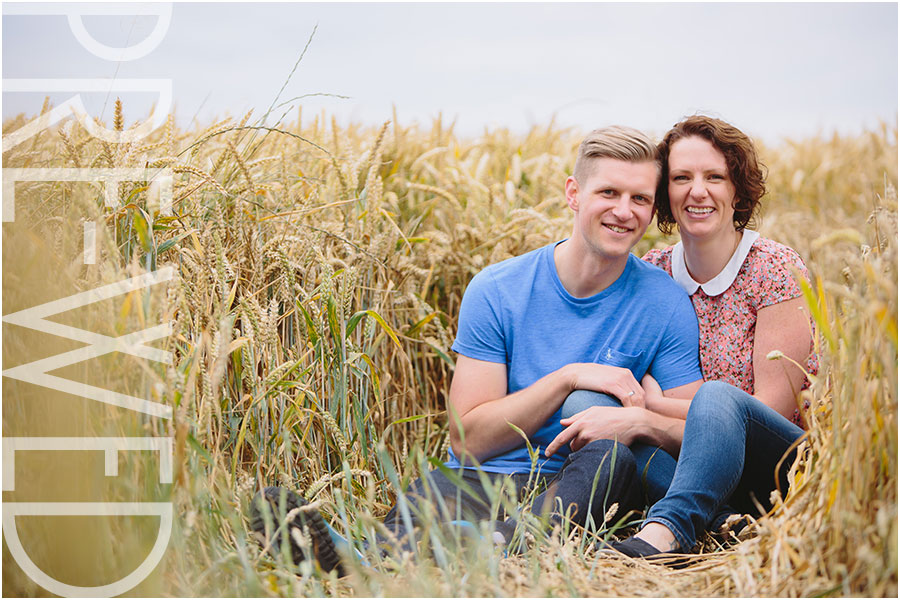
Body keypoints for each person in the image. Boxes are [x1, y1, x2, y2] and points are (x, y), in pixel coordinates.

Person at [249, 125, 705, 572]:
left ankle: (483, 544)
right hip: (484, 478)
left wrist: (641, 418)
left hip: (584, 483)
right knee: (434, 492)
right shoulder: (498, 289)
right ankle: (360, 556)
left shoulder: (663, 302)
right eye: (609, 192)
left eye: (640, 199)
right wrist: (570, 376)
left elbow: (694, 435)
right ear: (573, 193)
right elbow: (468, 443)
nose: (624, 211)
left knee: (612, 459)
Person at [597, 115, 819, 559]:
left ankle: (667, 532)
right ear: (666, 192)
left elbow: (766, 409)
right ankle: (721, 523)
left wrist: (651, 413)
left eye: (714, 176)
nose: (697, 191)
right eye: (682, 178)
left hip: (775, 468)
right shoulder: (653, 272)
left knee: (718, 398)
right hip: (687, 465)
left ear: (737, 190)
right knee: (597, 409)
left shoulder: (775, 270)